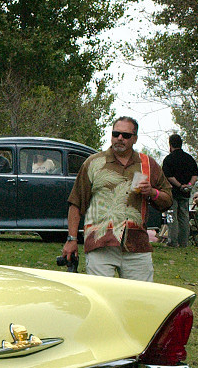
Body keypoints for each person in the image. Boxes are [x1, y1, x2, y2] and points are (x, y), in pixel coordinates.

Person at [63, 116, 172, 281]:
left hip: (137, 247)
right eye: (116, 134)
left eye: (126, 135)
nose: (120, 138)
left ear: (134, 139)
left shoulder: (148, 165)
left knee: (139, 300)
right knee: (101, 298)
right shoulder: (93, 163)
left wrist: (152, 192)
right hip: (100, 244)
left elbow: (168, 199)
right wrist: (71, 239)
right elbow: (76, 203)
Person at [161, 133, 198, 248]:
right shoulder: (189, 158)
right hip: (185, 193)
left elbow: (168, 176)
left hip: (172, 193)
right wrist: (189, 185)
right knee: (184, 217)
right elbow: (195, 174)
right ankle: (184, 242)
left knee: (171, 216)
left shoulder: (168, 159)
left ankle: (172, 241)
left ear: (170, 145)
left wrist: (179, 185)